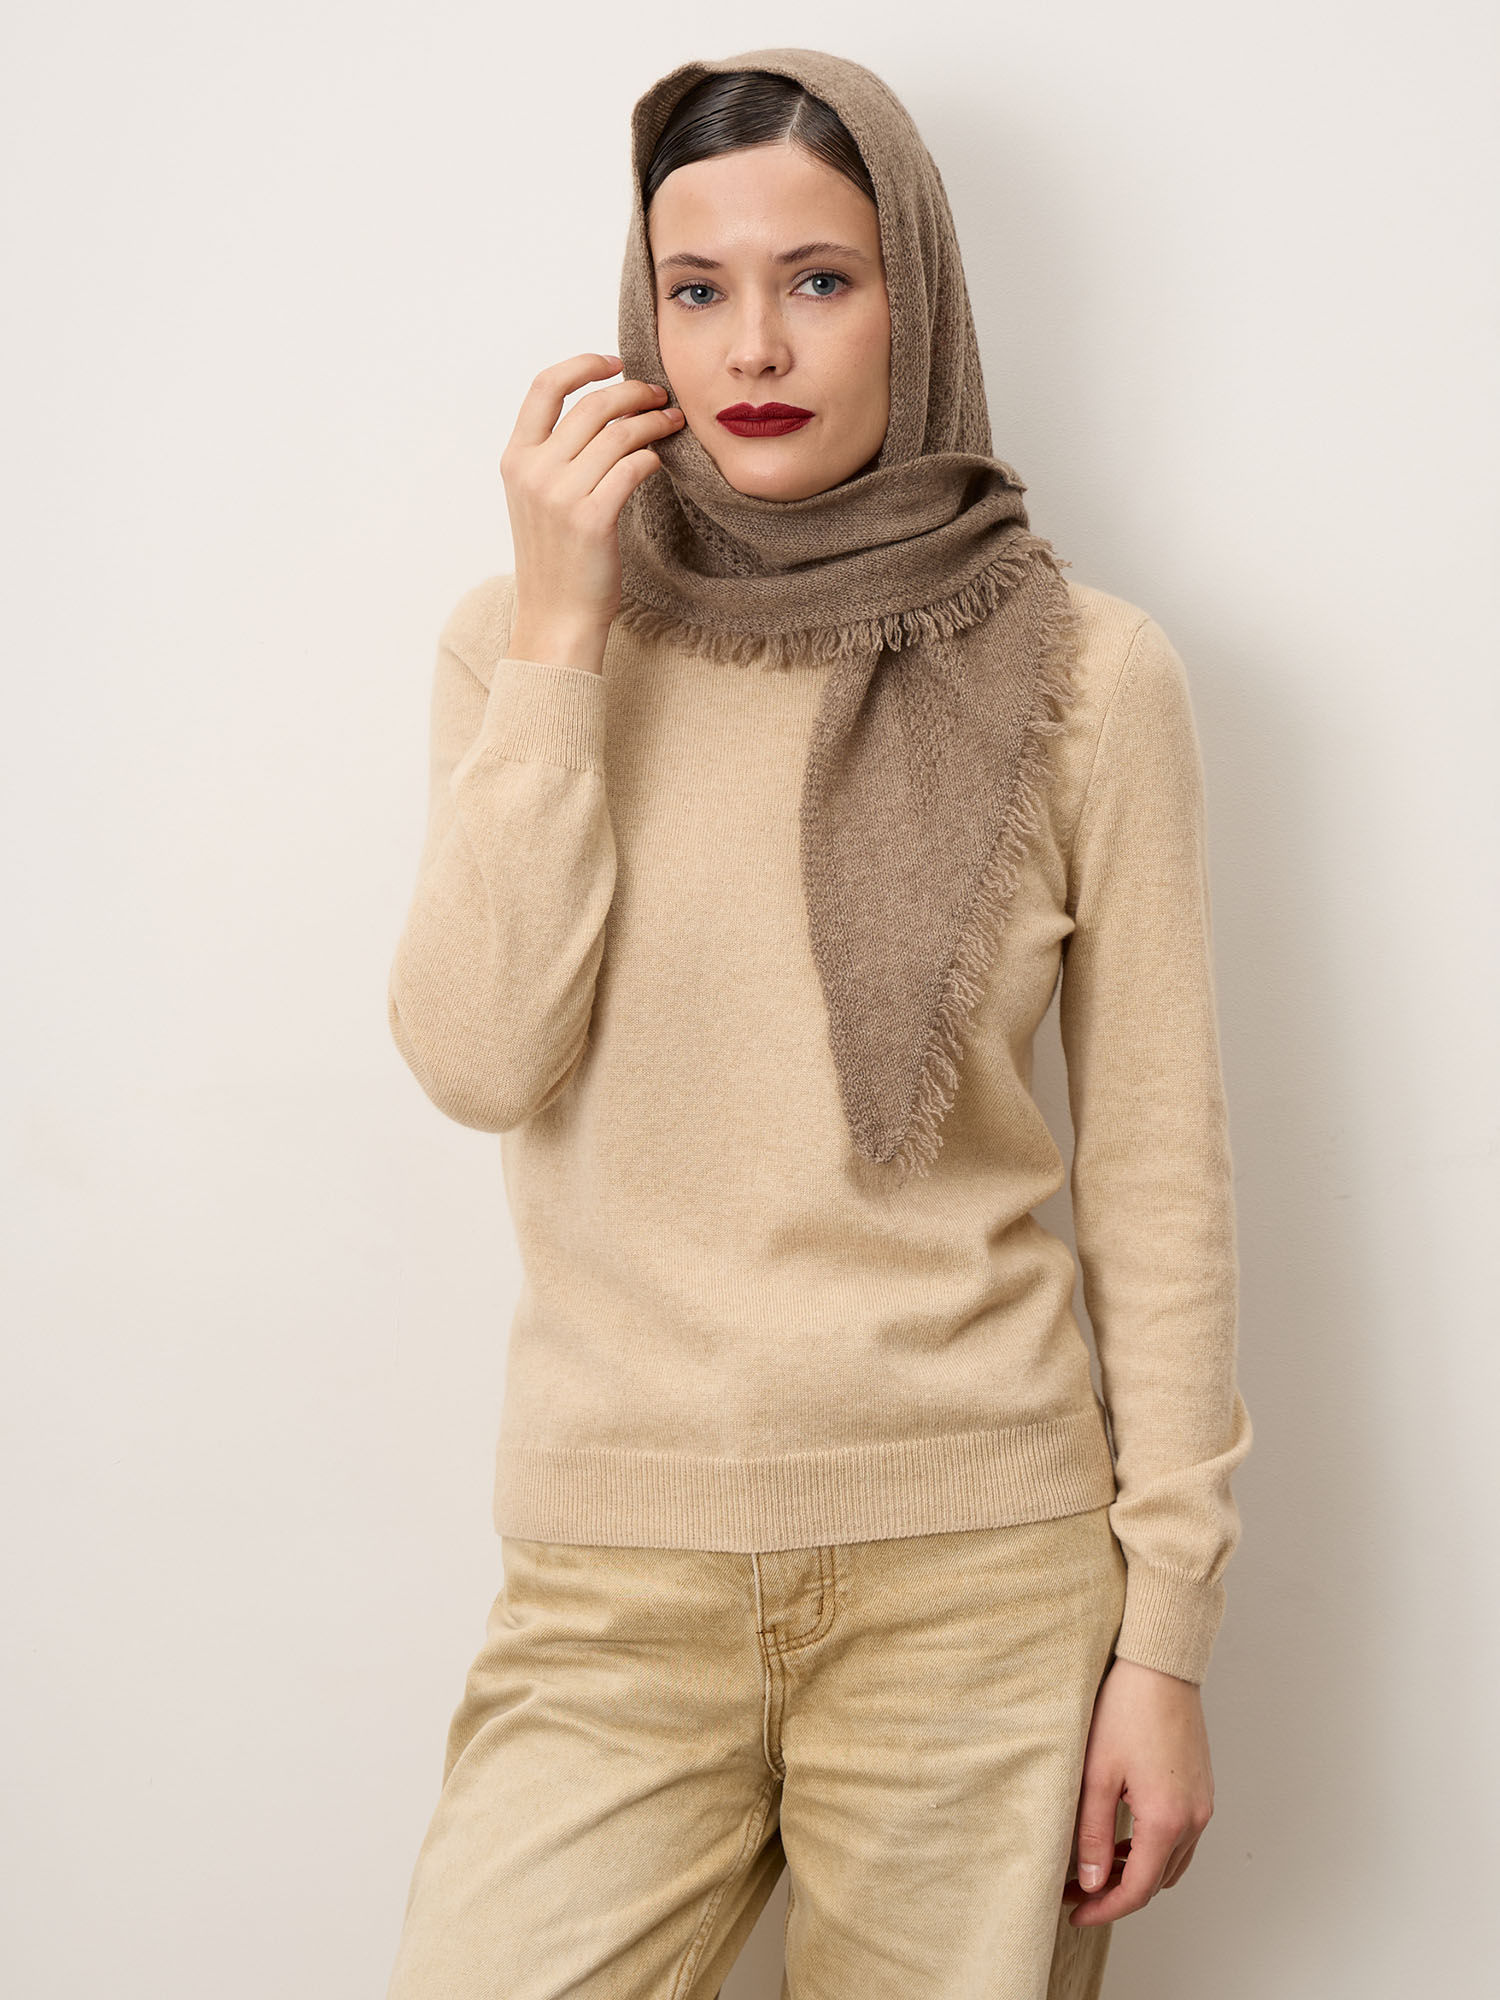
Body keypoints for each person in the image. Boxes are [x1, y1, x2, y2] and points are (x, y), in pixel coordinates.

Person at [382, 45, 1252, 2000]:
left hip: (982, 1575)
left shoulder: (1089, 675)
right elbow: (474, 1055)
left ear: (913, 290)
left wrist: (1167, 1643)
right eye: (697, 288)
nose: (752, 346)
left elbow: (1160, 1183)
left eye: (820, 278)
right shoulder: (521, 643)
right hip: (616, 1580)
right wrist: (560, 636)